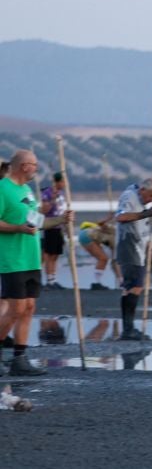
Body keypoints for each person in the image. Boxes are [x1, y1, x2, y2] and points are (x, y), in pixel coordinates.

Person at [0, 150, 49, 376]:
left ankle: (19, 359)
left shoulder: (27, 190)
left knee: (29, 308)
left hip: (32, 258)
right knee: (15, 309)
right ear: (23, 166)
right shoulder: (3, 188)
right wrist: (18, 228)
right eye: (34, 165)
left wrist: (60, 220)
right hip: (13, 259)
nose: (36, 169)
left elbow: (36, 221)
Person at [111, 177, 152, 339]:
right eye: (149, 196)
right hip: (128, 244)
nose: (150, 200)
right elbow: (120, 216)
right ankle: (128, 329)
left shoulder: (142, 199)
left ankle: (128, 328)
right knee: (135, 286)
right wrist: (145, 213)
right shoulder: (129, 196)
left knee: (130, 287)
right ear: (143, 190)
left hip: (138, 247)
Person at [37, 170, 69, 287]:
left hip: (59, 227)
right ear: (58, 181)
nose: (65, 184)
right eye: (63, 182)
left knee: (55, 254)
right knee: (49, 254)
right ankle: (49, 280)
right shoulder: (47, 193)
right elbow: (44, 210)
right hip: (50, 226)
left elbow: (62, 211)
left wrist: (66, 228)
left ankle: (53, 279)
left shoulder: (62, 194)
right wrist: (52, 199)